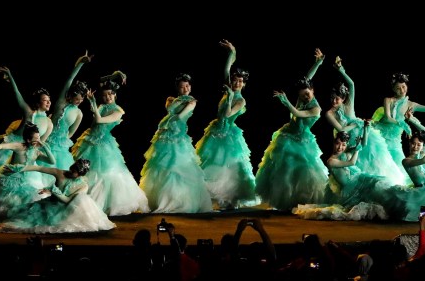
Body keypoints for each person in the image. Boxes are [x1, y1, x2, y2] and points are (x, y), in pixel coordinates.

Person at [0, 65, 54, 207]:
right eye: (45, 100)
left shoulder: (49, 123)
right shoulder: (30, 113)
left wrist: (33, 156)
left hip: (25, 151)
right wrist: (10, 77)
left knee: (18, 181)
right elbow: (17, 95)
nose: (49, 102)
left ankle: (8, 205)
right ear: (38, 102)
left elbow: (39, 143)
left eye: (49, 99)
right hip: (13, 144)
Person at [254, 48, 329, 212]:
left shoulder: (316, 108)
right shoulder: (302, 94)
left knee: (305, 172)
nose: (305, 97)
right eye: (302, 95)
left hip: (302, 140)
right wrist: (317, 63)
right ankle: (284, 203)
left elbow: (297, 113)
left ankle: (301, 201)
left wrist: (286, 101)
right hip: (288, 136)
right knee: (284, 171)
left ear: (313, 92)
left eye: (307, 94)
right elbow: (307, 78)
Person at [71, 72, 150, 216]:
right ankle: (81, 200)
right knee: (83, 169)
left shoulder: (118, 111)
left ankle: (102, 204)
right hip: (90, 139)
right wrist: (116, 74)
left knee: (105, 172)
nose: (107, 97)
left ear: (115, 95)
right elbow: (100, 80)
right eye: (105, 95)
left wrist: (93, 103)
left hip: (103, 143)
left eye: (110, 95)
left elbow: (100, 121)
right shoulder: (101, 105)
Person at [195, 40, 260, 210]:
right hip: (216, 129)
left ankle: (231, 199)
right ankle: (207, 197)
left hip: (229, 133)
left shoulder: (241, 99)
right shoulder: (228, 87)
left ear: (244, 84)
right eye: (235, 80)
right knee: (210, 163)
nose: (236, 82)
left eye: (240, 81)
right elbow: (226, 69)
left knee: (227, 167)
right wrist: (232, 51)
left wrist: (230, 96)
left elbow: (228, 114)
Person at [324, 56, 407, 185]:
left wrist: (341, 70)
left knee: (376, 162)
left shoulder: (348, 104)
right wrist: (355, 123)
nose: (334, 101)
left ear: (343, 98)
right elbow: (340, 129)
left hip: (365, 135)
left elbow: (351, 84)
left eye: (337, 99)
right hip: (350, 140)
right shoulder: (329, 113)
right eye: (332, 98)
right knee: (357, 167)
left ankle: (385, 185)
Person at [139, 73, 213, 213]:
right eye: (182, 87)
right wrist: (179, 101)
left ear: (190, 87)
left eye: (187, 86)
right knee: (160, 166)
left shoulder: (192, 101)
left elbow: (179, 115)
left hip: (179, 137)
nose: (185, 89)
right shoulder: (171, 99)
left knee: (177, 167)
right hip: (165, 136)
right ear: (177, 88)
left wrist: (183, 103)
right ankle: (160, 200)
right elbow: (170, 108)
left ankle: (178, 201)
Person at [0, 158, 117, 233]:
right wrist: (20, 168)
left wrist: (54, 191)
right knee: (23, 213)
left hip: (60, 209)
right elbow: (39, 168)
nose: (71, 172)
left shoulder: (83, 186)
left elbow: (67, 201)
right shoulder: (60, 173)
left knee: (30, 223)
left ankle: (4, 227)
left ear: (81, 174)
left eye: (75, 172)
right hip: (49, 203)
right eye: (72, 169)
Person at [0, 122, 56, 228]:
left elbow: (52, 161)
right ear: (28, 140)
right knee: (3, 202)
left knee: (25, 201)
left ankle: (12, 220)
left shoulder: (36, 152)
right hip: (10, 178)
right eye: (36, 140)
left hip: (24, 180)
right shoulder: (19, 147)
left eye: (39, 138)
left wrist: (44, 146)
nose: (38, 141)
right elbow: (2, 146)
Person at [40, 50, 93, 186]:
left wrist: (61, 139)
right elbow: (69, 79)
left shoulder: (79, 113)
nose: (79, 102)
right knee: (41, 168)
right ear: (70, 96)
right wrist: (80, 63)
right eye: (77, 99)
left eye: (81, 100)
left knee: (60, 174)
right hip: (46, 138)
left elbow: (70, 133)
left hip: (60, 146)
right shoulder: (61, 103)